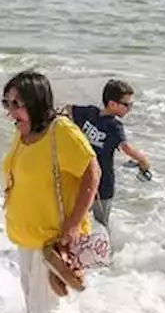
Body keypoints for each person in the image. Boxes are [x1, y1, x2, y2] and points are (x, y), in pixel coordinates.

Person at [1, 70, 100, 313]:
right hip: (26, 236)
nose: (11, 112)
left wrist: (73, 225)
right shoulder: (24, 133)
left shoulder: (61, 131)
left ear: (36, 102)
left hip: (53, 241)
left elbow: (92, 173)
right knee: (33, 309)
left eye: (17, 104)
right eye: (7, 103)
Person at [64, 79, 151, 229]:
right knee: (101, 225)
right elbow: (126, 148)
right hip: (103, 184)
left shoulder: (88, 113)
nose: (130, 108)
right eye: (127, 105)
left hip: (81, 179)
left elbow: (67, 110)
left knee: (76, 220)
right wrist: (144, 161)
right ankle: (103, 252)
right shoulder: (114, 126)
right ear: (112, 104)